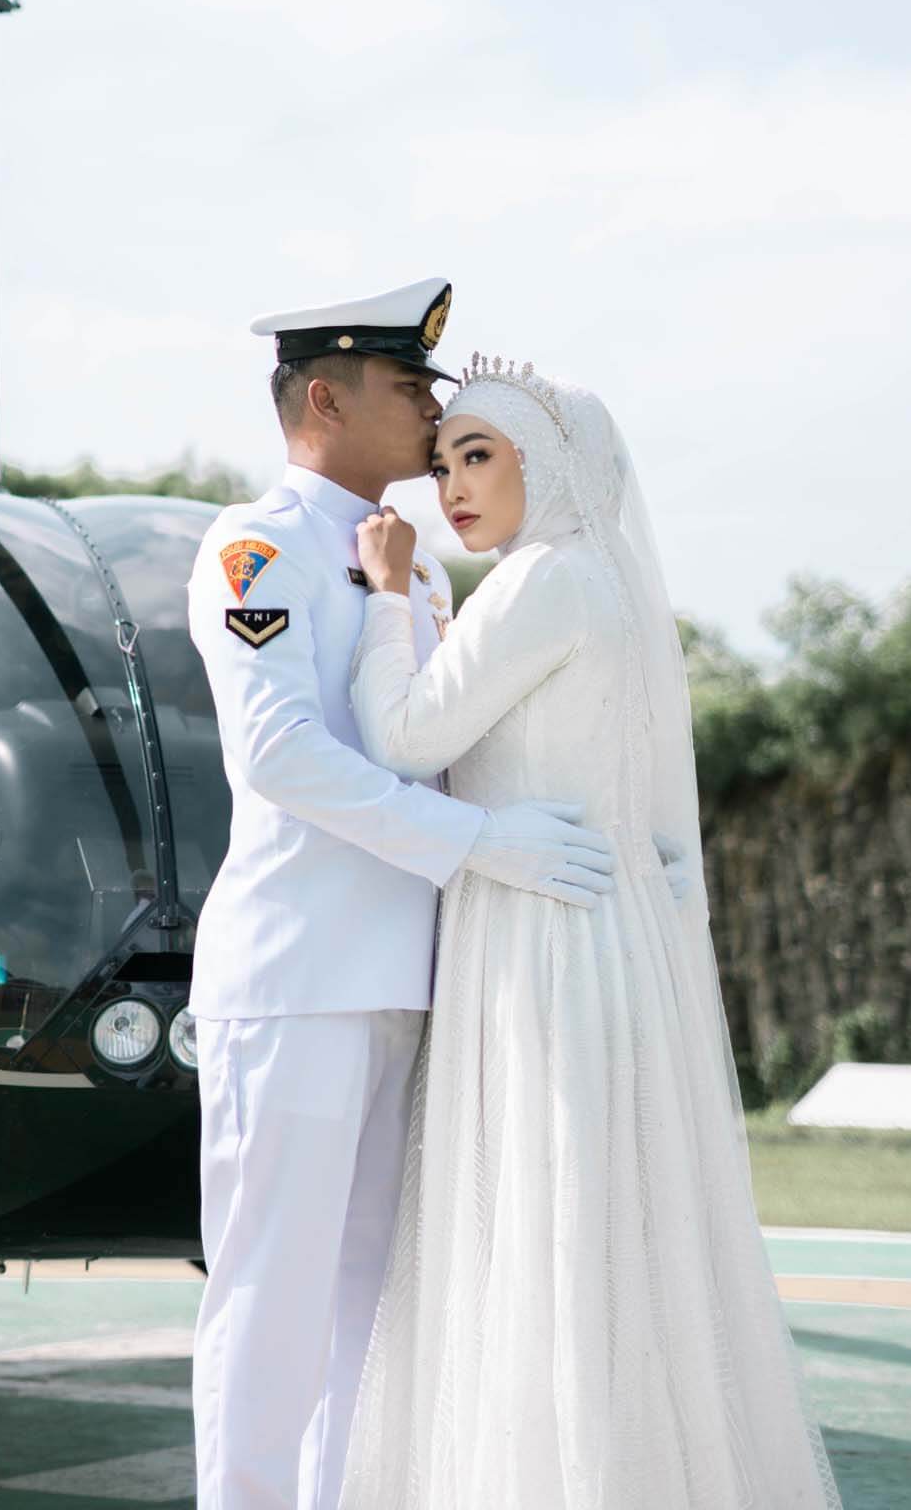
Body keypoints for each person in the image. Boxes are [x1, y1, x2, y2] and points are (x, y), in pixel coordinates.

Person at [338, 358, 843, 1509]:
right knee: (611, 1220)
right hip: (612, 937)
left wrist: (385, 596)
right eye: (443, 462)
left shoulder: (537, 581)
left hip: (538, 935)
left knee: (542, 1217)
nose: (452, 487)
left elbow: (405, 738)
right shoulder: (605, 584)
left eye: (479, 456)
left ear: (551, 469)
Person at [185, 289, 617, 1510]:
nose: (434, 409)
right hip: (298, 976)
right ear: (324, 397)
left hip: (407, 973)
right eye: (408, 385)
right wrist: (476, 842)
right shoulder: (255, 545)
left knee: (371, 1314)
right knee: (270, 1300)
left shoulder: (413, 566)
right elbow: (280, 754)